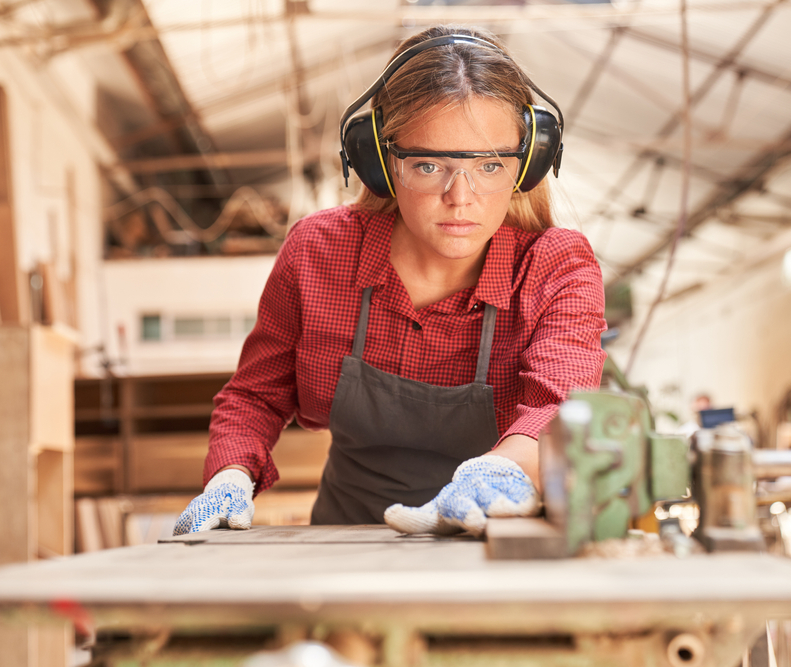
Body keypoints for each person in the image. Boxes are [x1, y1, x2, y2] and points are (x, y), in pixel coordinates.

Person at [173, 25, 608, 537]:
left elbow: (561, 406)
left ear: (527, 163)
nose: (461, 197)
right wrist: (230, 475)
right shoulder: (319, 254)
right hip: (344, 539)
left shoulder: (555, 266)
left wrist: (502, 472)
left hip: (488, 534)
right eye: (428, 165)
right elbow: (256, 395)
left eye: (490, 165)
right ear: (379, 163)